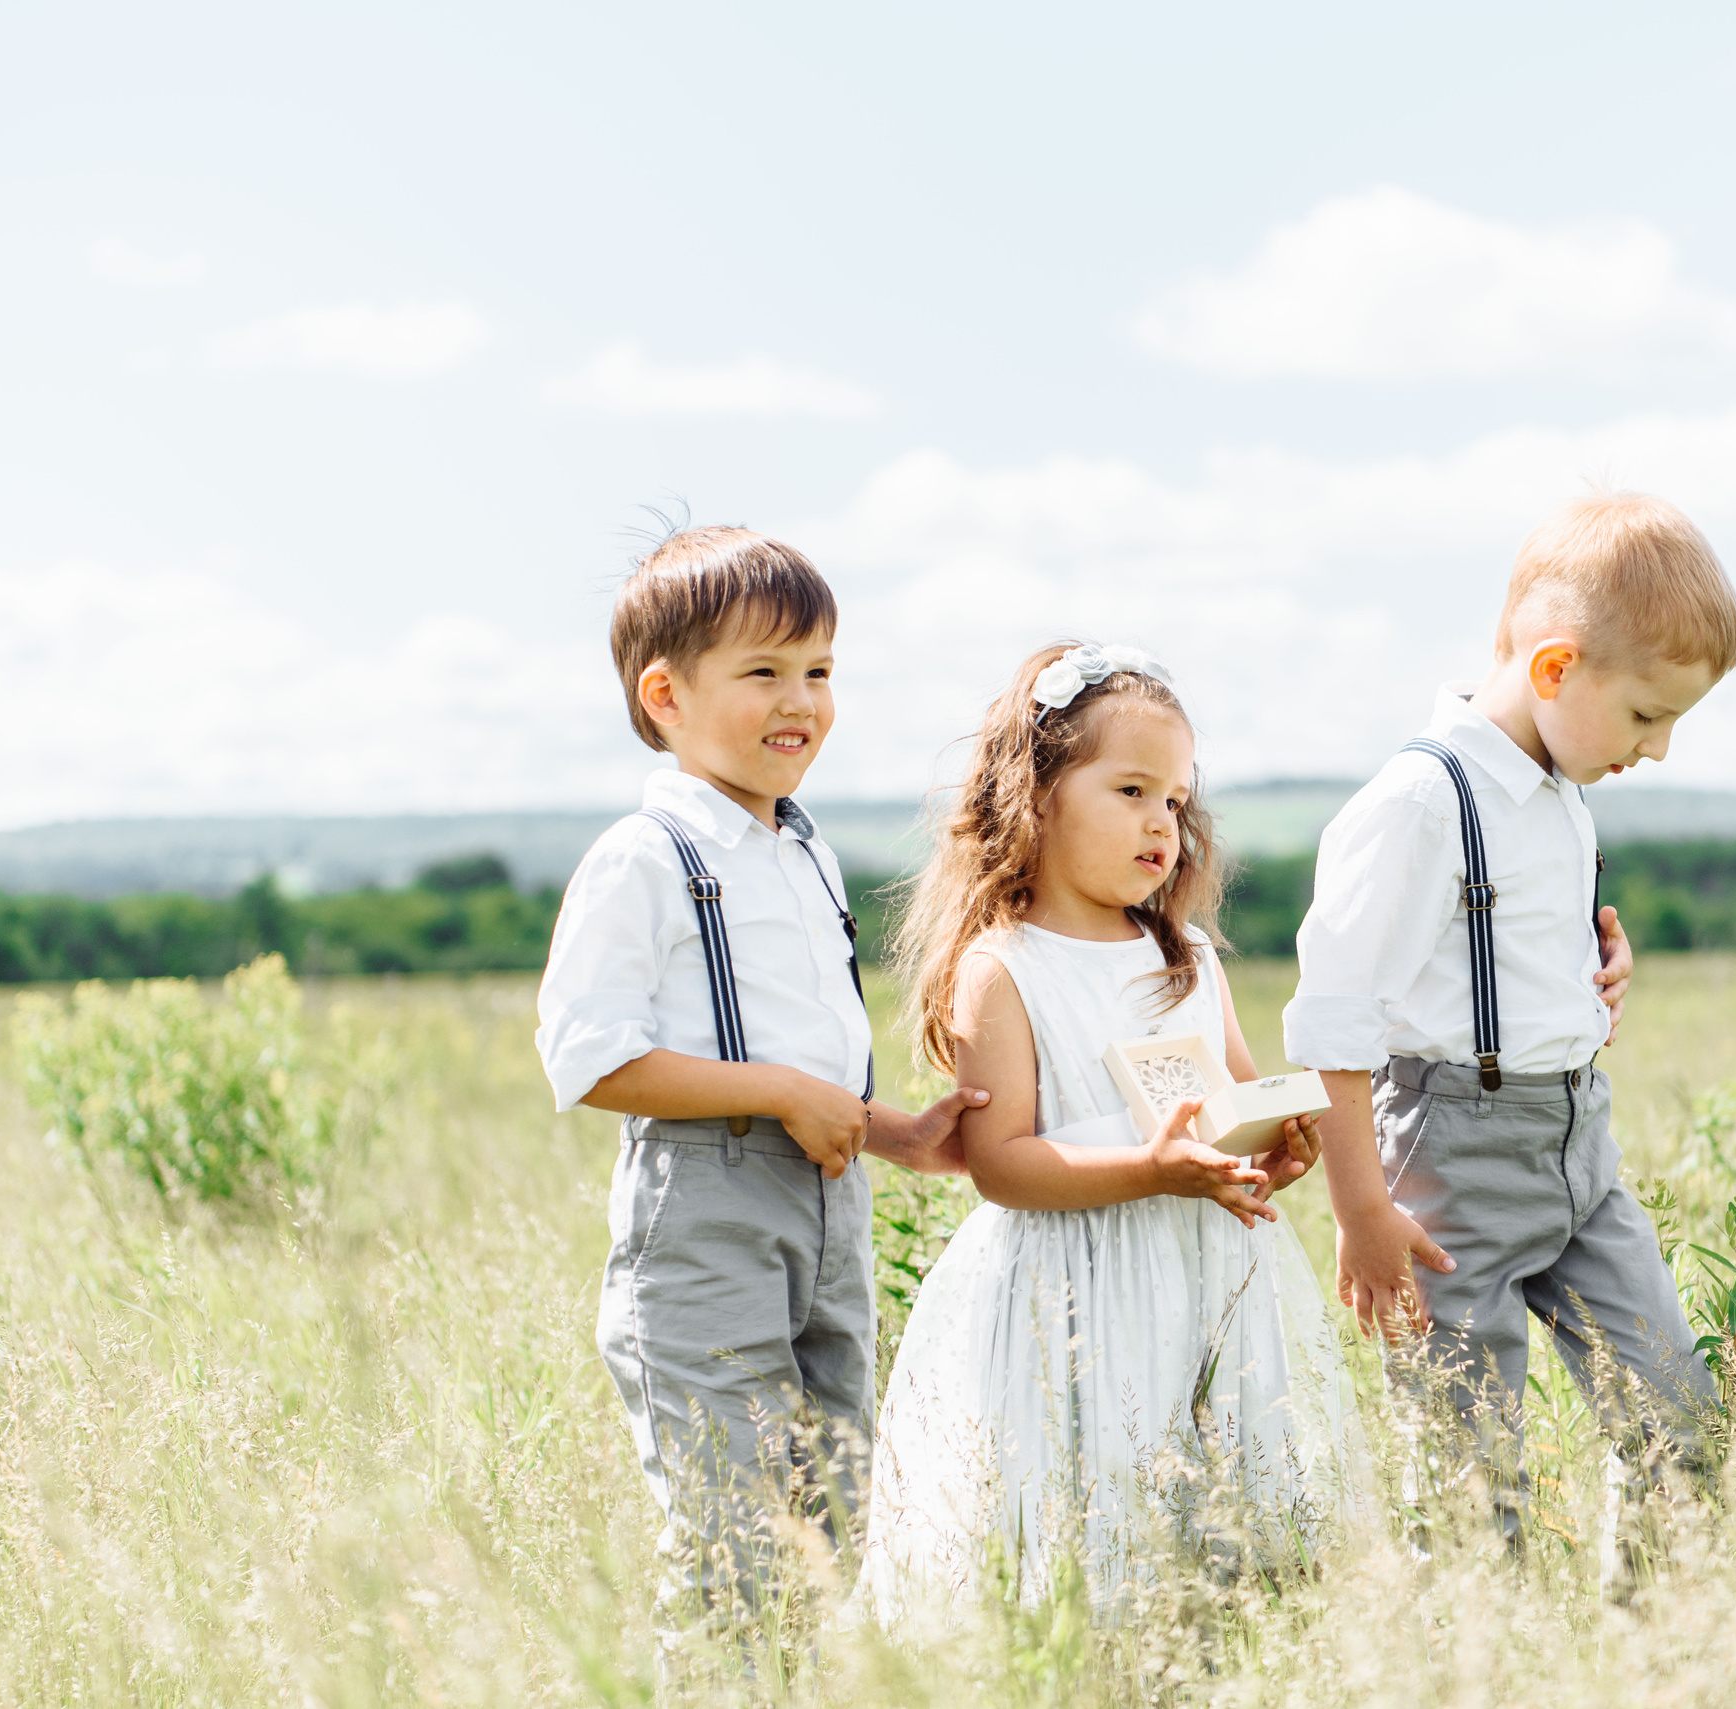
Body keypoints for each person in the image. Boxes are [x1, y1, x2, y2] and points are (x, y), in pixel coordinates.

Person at [534, 524, 987, 1619]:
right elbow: (589, 1058)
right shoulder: (646, 857)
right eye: (764, 672)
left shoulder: (801, 846)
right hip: (704, 1209)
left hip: (827, 1206)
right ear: (666, 695)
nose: (802, 699)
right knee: (732, 1528)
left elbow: (803, 1056)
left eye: (820, 671)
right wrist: (780, 1094)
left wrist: (897, 1132)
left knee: (837, 1514)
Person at [864, 641, 1361, 1616]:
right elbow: (1001, 1163)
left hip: (1199, 1272)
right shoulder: (1003, 967)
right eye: (1131, 789)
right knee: (1088, 1515)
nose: (1160, 824)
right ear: (1036, 796)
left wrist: (1269, 1149)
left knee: (1211, 1516)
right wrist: (1149, 1166)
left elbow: (1234, 1101)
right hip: (1074, 1286)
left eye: (1175, 801)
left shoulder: (1188, 959)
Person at [1285, 491, 1736, 1536]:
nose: (1658, 748)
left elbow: (1510, 947)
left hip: (1579, 1149)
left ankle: (1659, 1649)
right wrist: (1360, 1208)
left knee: (1677, 1416)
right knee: (1467, 1468)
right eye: (1645, 715)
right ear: (1553, 669)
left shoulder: (1562, 788)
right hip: (1451, 1161)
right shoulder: (1417, 801)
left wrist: (1594, 966)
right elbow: (1335, 1020)